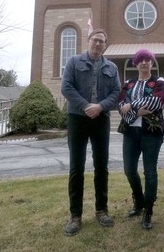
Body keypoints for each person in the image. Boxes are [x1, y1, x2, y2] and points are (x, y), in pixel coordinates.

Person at [61, 28, 121, 236]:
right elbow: (66, 88)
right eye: (95, 40)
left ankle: (101, 210)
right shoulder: (73, 62)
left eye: (101, 42)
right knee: (76, 168)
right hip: (78, 119)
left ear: (105, 45)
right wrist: (87, 106)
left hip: (101, 120)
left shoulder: (112, 67)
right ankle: (75, 215)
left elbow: (116, 92)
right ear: (88, 41)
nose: (97, 44)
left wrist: (100, 107)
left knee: (101, 167)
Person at [117, 49, 164, 230]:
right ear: (136, 64)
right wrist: (136, 112)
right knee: (129, 170)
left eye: (147, 60)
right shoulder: (128, 83)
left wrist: (131, 106)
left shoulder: (158, 82)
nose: (144, 63)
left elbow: (156, 102)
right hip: (130, 133)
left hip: (151, 133)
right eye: (140, 60)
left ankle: (148, 211)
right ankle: (139, 202)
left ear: (152, 63)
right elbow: (120, 105)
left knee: (150, 172)